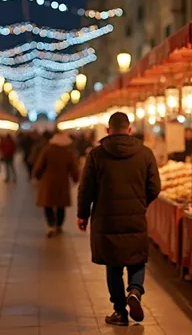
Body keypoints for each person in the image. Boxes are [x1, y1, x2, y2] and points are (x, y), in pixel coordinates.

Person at [77, 112, 160, 326]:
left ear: (107, 130)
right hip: (135, 217)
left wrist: (82, 214)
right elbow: (154, 188)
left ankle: (120, 311)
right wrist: (140, 203)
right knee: (137, 258)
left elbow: (86, 189)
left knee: (113, 265)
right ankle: (135, 290)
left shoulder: (96, 155)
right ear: (130, 129)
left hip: (106, 219)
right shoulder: (145, 153)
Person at [33, 130, 80, 237]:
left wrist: (37, 175)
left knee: (48, 204)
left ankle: (50, 226)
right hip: (62, 182)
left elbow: (39, 166)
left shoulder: (47, 150)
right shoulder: (68, 152)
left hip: (48, 182)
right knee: (61, 205)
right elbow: (74, 168)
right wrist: (75, 178)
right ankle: (59, 225)